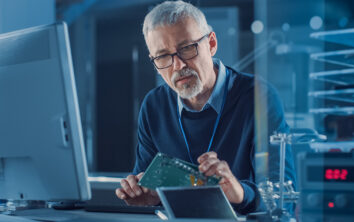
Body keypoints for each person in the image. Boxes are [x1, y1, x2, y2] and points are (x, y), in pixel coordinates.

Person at [115, 0, 295, 214]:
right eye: (163, 56)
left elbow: (282, 199)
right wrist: (144, 195)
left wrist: (239, 193)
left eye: (187, 49)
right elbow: (148, 184)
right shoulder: (154, 106)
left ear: (211, 44)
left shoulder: (258, 98)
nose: (178, 66)